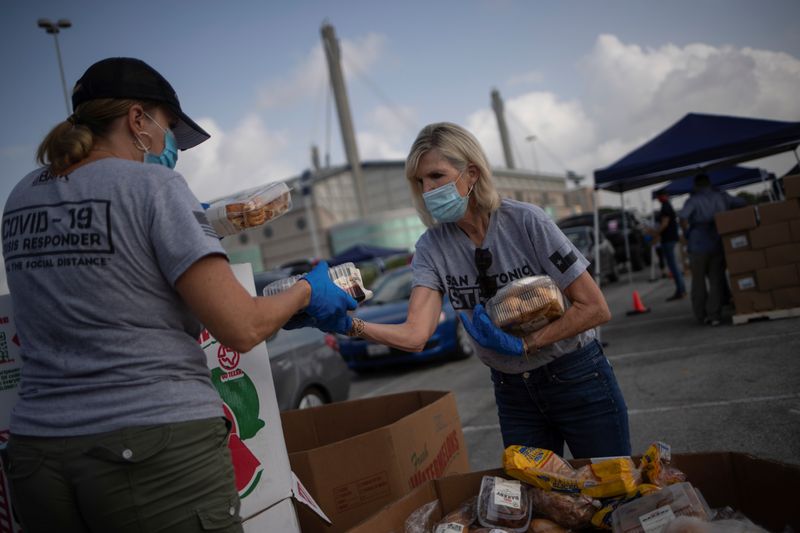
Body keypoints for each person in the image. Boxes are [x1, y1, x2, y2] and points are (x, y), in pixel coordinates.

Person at [0, 57, 355, 533]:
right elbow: (242, 325)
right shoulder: (154, 186)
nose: (170, 146)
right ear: (137, 119)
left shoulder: (22, 196)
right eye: (167, 128)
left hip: (38, 456)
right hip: (150, 450)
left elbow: (105, 279)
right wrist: (309, 290)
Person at [327, 122, 630, 458]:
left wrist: (526, 344)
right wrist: (350, 325)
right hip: (513, 392)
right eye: (420, 181)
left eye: (436, 176)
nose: (427, 190)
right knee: (535, 502)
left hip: (577, 377)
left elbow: (594, 307)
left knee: (608, 491)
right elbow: (415, 335)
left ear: (471, 173)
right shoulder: (432, 248)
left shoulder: (527, 222)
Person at [679, 173, 746, 326]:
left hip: (697, 244)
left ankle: (701, 315)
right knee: (716, 280)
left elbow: (683, 217)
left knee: (698, 282)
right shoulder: (721, 196)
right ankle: (714, 315)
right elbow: (742, 202)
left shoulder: (693, 200)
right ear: (709, 183)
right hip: (717, 242)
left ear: (696, 185)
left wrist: (687, 233)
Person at [652, 193, 687, 301]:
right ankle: (681, 290)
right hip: (670, 239)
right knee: (674, 266)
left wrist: (656, 233)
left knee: (673, 266)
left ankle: (680, 290)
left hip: (668, 239)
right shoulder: (667, 205)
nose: (658, 199)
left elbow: (664, 223)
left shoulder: (665, 206)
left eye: (659, 196)